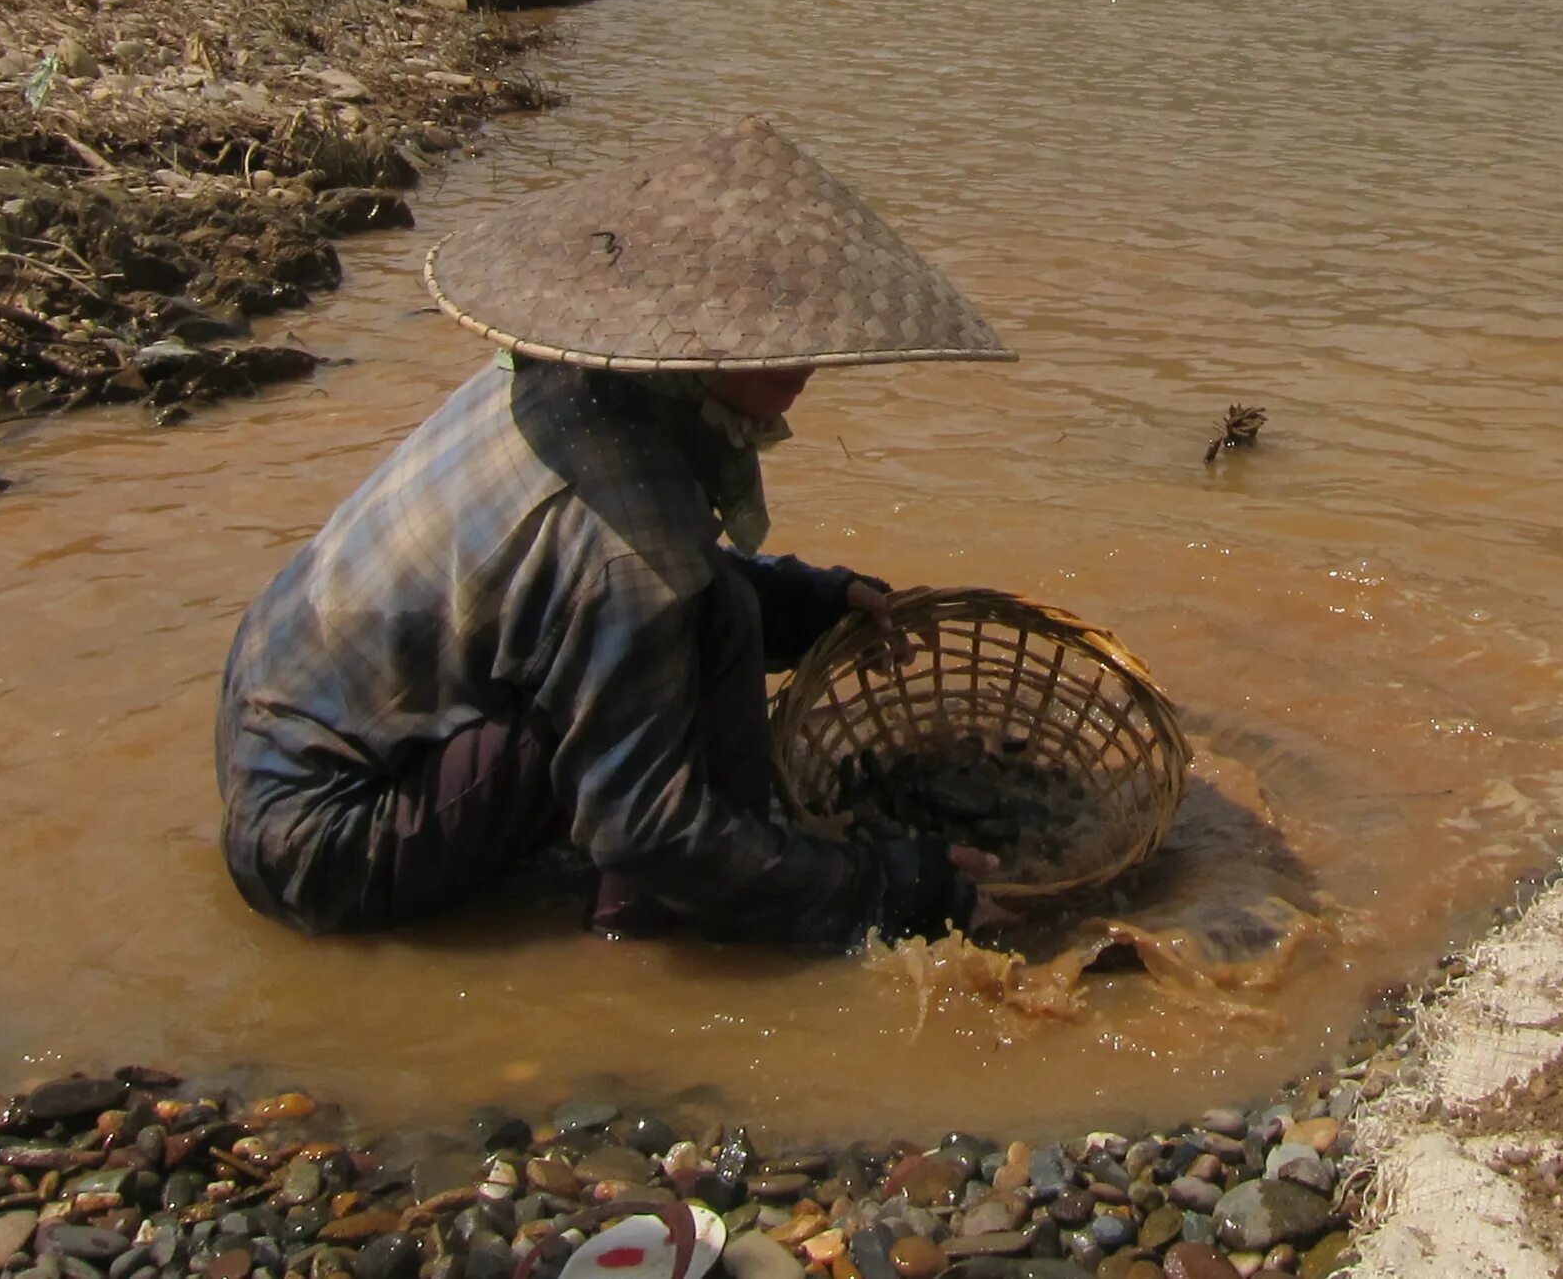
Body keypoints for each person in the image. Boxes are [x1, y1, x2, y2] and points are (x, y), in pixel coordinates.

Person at [213, 115, 1014, 950]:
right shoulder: (631, 541)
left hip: (268, 737)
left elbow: (624, 583)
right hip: (322, 845)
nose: (806, 351)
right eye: (768, 324)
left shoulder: (560, 379)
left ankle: (703, 875)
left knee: (720, 610)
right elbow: (647, 829)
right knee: (685, 673)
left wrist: (814, 601)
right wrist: (897, 887)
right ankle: (646, 938)